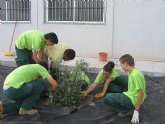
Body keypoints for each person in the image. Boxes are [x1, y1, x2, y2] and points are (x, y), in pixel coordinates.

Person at [104, 54, 146, 123]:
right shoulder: (133, 71)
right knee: (122, 81)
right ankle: (128, 106)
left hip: (133, 99)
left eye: (121, 65)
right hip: (132, 95)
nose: (121, 67)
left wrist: (136, 111)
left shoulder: (135, 75)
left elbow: (140, 93)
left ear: (126, 64)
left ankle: (126, 110)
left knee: (107, 97)